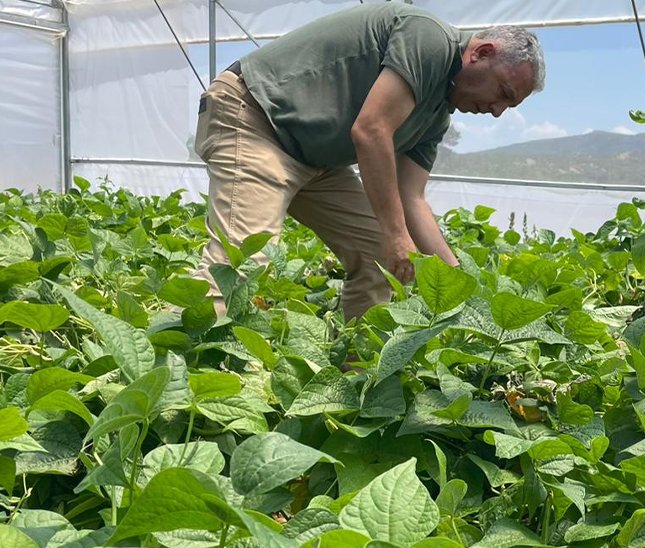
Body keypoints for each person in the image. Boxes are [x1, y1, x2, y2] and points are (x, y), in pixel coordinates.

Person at [192, 4, 544, 319]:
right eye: (503, 93)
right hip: (257, 118)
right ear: (481, 53)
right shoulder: (430, 38)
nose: (498, 111)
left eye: (509, 106)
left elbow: (412, 199)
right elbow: (371, 130)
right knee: (240, 263)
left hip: (312, 158)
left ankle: (359, 368)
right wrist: (396, 235)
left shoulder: (436, 117)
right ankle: (181, 360)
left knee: (380, 257)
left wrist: (458, 282)